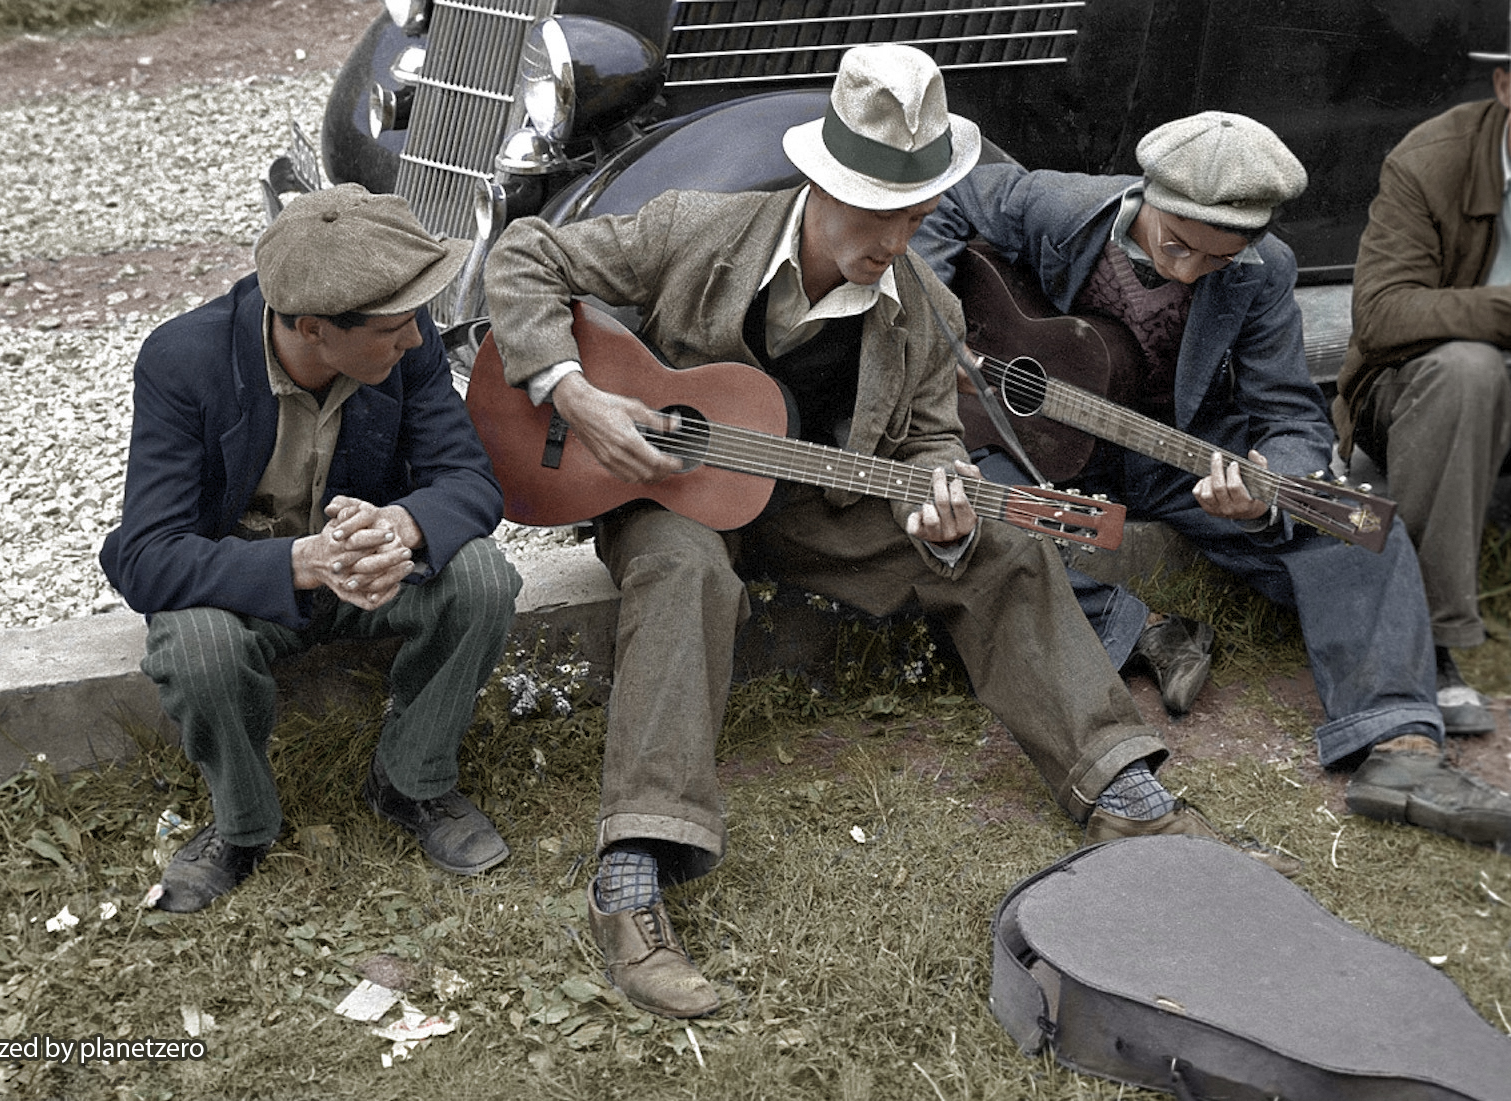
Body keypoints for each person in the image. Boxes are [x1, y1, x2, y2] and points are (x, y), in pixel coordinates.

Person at [484, 45, 1296, 1020]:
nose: (894, 236)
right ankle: (635, 866)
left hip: (819, 511)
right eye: (873, 209)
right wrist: (573, 391)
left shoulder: (926, 310)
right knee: (685, 571)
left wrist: (938, 495)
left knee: (1005, 544)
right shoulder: (696, 228)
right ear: (819, 181)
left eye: (914, 214)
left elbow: (927, 444)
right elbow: (522, 254)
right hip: (671, 495)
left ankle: (1119, 785)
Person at [913, 110, 1511, 851]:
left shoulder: (1269, 271)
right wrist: (939, 338)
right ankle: (1142, 630)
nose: (1189, 271)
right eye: (1178, 245)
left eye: (1217, 260)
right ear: (1146, 196)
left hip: (1174, 450)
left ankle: (1400, 748)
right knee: (981, 513)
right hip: (1036, 437)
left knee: (1356, 525)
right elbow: (943, 199)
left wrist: (1269, 487)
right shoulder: (1058, 205)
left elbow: (1290, 412)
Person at [100, 184, 523, 913]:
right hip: (246, 589)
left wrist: (399, 528)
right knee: (196, 645)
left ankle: (412, 781)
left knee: (484, 577)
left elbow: (470, 481)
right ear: (313, 328)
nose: (418, 341)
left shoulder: (403, 335)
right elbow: (144, 554)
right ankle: (242, 826)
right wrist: (304, 561)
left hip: (368, 572)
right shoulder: (183, 361)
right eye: (394, 328)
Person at [1333, 26, 1511, 739]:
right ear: (1506, 85)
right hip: (1414, 388)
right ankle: (1431, 641)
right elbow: (1379, 315)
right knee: (1471, 369)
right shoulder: (1431, 159)